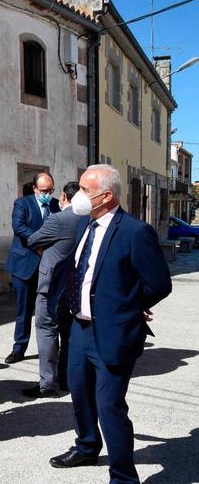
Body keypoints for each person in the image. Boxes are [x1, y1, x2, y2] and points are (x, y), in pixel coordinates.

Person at [50, 165, 171, 484]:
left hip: (113, 333)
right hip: (79, 329)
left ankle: (123, 477)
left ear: (105, 196)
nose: (78, 196)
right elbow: (82, 272)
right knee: (79, 393)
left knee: (109, 405)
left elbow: (159, 284)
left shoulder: (134, 231)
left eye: (85, 190)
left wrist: (127, 307)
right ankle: (87, 446)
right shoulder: (83, 225)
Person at [22, 181, 84, 398]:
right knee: (68, 333)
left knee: (47, 331)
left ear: (64, 197)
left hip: (51, 285)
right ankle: (68, 379)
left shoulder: (58, 218)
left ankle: (47, 383)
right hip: (75, 285)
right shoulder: (87, 219)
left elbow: (32, 240)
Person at [4, 172, 60, 364]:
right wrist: (40, 243)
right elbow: (19, 227)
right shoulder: (22, 204)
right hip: (24, 265)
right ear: (35, 189)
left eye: (51, 190)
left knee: (49, 308)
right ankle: (19, 347)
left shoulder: (55, 205)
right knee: (24, 309)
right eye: (44, 190)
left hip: (48, 265)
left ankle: (51, 348)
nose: (48, 194)